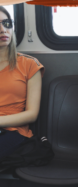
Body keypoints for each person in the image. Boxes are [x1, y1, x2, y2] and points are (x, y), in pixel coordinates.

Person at [0, 6, 44, 159]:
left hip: (13, 131)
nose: (2, 30)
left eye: (6, 23)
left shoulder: (29, 64)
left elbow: (32, 115)